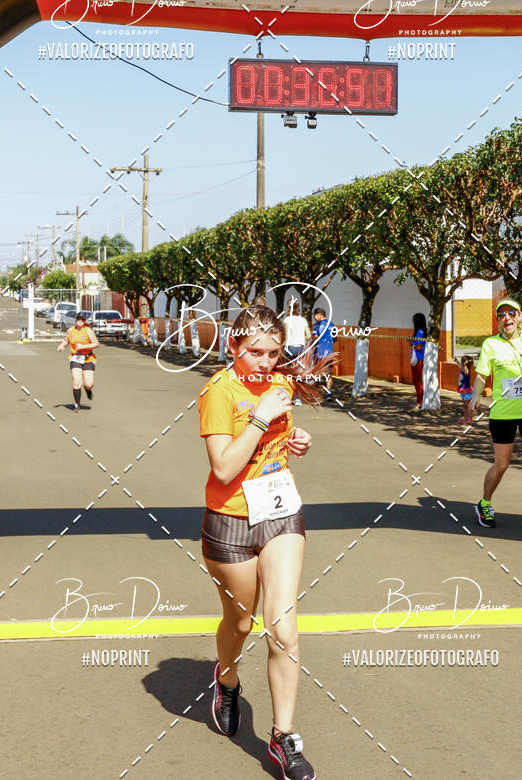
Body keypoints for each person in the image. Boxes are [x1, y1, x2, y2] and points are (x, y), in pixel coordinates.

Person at [198, 305, 331, 780]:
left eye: (274, 352)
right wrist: (260, 418)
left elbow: (279, 437)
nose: (266, 361)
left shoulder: (282, 384)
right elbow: (224, 468)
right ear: (233, 345)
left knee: (282, 627)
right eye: (255, 351)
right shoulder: (218, 391)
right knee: (240, 621)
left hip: (280, 513)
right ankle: (227, 679)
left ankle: (283, 738)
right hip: (230, 523)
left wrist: (297, 439)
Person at [468, 298, 522, 539]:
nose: (507, 318)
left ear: (519, 317)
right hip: (502, 414)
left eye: (511, 313)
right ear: (498, 321)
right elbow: (482, 375)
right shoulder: (490, 345)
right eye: (501, 315)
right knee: (502, 464)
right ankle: (484, 503)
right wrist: (475, 396)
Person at [57, 312, 99, 412]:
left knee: (89, 383)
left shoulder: (88, 331)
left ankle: (88, 390)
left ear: (85, 321)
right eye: (78, 319)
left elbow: (96, 344)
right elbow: (66, 341)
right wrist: (62, 345)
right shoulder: (70, 331)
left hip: (88, 358)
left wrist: (84, 346)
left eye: (82, 320)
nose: (80, 321)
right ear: (76, 320)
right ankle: (77, 405)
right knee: (76, 380)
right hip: (75, 358)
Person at [283, 300, 310, 404]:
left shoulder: (287, 319)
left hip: (289, 348)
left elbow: (285, 335)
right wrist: (301, 337)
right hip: (301, 349)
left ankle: (288, 395)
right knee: (299, 373)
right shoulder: (303, 320)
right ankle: (298, 398)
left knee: (288, 373)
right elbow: (308, 335)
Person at [312, 307, 334, 399]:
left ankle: (316, 394)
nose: (313, 317)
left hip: (319, 352)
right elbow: (335, 337)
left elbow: (315, 338)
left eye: (314, 315)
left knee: (317, 373)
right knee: (328, 372)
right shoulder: (331, 324)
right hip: (329, 352)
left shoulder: (317, 325)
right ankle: (328, 393)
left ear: (319, 315)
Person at [410, 313, 427, 411]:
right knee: (416, 381)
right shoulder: (420, 332)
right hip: (417, 358)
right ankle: (420, 401)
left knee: (417, 381)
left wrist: (413, 345)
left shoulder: (420, 332)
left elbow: (419, 347)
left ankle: (420, 402)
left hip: (418, 359)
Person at [457, 355, 474, 423]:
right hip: (463, 390)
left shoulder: (467, 371)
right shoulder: (462, 369)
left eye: (462, 362)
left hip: (466, 390)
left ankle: (470, 418)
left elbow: (466, 371)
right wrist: (456, 361)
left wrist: (465, 364)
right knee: (465, 406)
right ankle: (466, 418)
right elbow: (459, 366)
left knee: (468, 406)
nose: (461, 363)